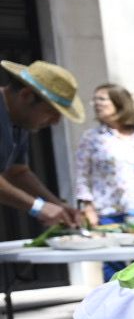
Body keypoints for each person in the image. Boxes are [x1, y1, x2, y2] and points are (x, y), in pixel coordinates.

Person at [75, 84, 134, 278]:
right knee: (113, 264)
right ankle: (115, 306)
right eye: (94, 100)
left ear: (119, 102)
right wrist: (87, 206)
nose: (96, 104)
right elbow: (81, 174)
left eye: (102, 99)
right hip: (107, 211)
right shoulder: (91, 137)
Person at [0, 60, 81, 230]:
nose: (56, 122)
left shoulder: (19, 121)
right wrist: (37, 207)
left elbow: (18, 172)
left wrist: (57, 204)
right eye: (51, 112)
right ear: (26, 96)